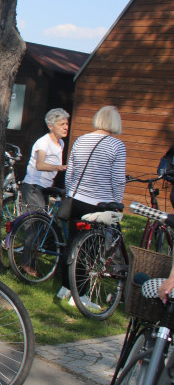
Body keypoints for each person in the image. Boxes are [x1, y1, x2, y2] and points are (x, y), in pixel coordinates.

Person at [58, 105, 126, 304]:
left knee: (72, 244)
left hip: (76, 199)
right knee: (91, 251)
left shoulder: (81, 139)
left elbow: (70, 171)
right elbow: (118, 180)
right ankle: (81, 295)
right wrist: (116, 203)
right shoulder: (117, 146)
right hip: (99, 203)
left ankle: (65, 288)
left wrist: (72, 192)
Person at [20, 108, 69, 212]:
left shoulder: (61, 143)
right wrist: (60, 167)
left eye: (66, 124)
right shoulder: (43, 142)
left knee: (44, 222)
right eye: (62, 124)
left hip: (46, 186)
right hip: (34, 185)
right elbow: (40, 165)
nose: (65, 127)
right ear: (51, 126)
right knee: (35, 222)